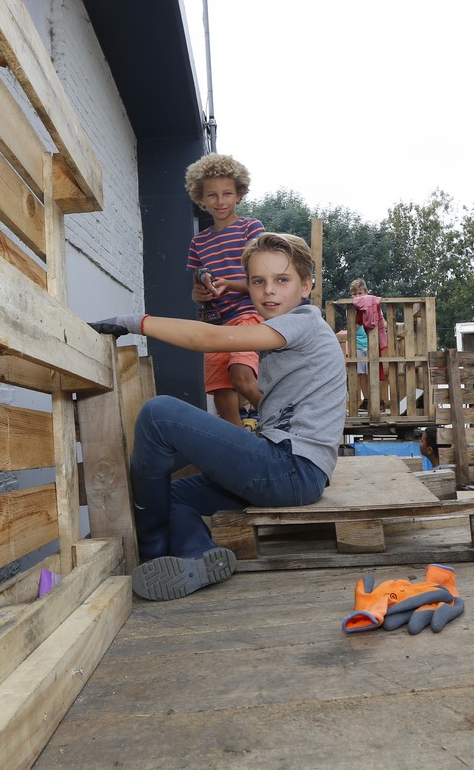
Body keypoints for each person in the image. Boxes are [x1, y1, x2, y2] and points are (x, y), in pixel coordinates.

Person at [89, 233, 346, 601]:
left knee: (158, 415)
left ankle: (150, 552)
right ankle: (199, 554)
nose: (268, 291)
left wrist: (132, 322)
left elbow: (211, 338)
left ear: (306, 286)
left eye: (282, 280)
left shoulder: (302, 321)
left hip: (290, 467)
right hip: (295, 470)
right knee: (171, 495)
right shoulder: (293, 331)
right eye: (258, 281)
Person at [184, 153, 265, 427]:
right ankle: (237, 442)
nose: (220, 201)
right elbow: (196, 289)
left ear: (239, 194)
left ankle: (284, 422)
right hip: (216, 324)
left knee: (241, 377)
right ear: (201, 198)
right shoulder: (198, 243)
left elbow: (262, 279)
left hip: (248, 315)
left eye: (227, 193)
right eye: (212, 195)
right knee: (221, 392)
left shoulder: (251, 228)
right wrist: (199, 294)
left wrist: (230, 284)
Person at [349, 278, 387, 412]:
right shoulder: (352, 308)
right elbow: (352, 327)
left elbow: (383, 323)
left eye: (360, 293)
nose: (357, 296)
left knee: (374, 372)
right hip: (358, 345)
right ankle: (366, 399)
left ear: (366, 292)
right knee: (362, 374)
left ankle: (378, 399)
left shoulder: (373, 305)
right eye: (354, 294)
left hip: (372, 344)